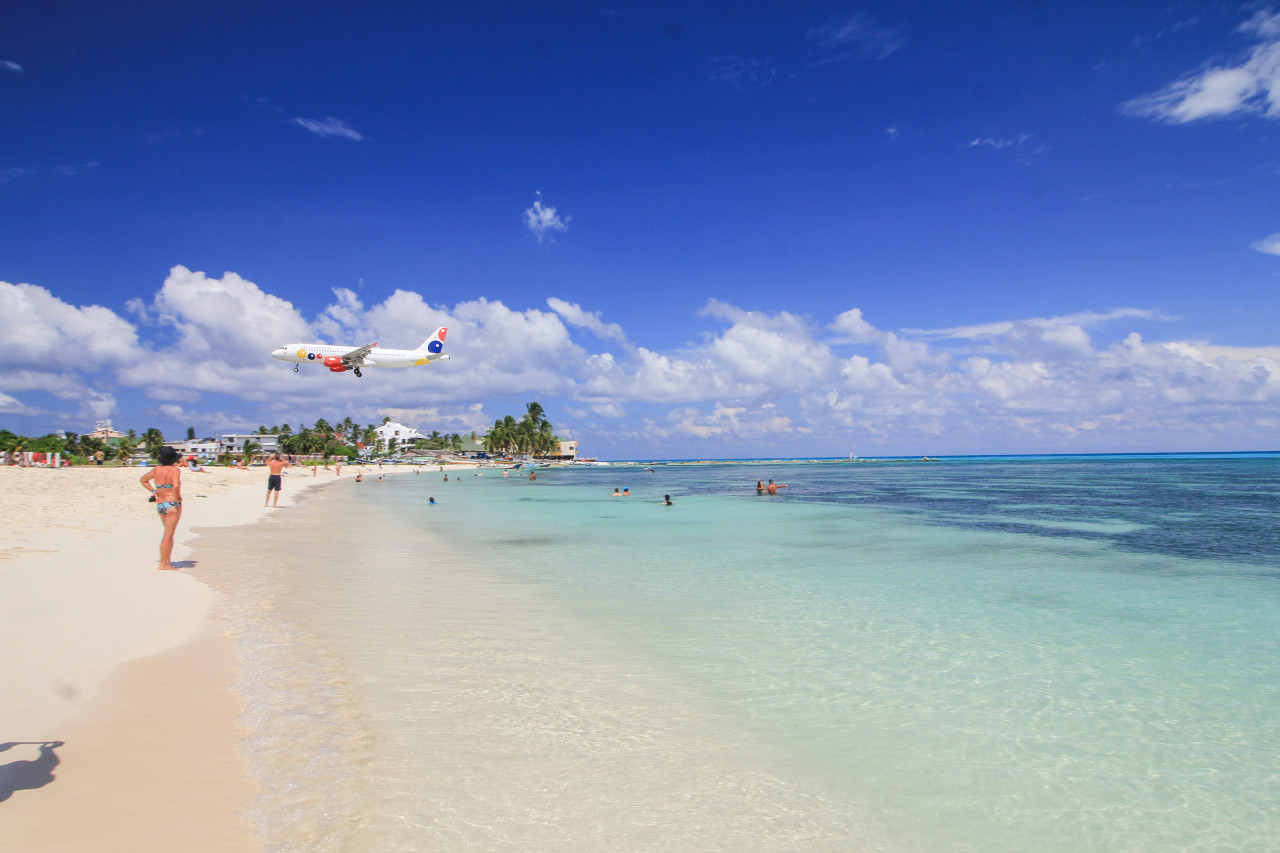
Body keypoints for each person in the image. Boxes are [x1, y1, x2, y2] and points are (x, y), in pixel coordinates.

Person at [140, 446, 183, 570]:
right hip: (171, 505)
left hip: (161, 504)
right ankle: (164, 564)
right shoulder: (174, 470)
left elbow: (143, 480)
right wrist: (175, 500)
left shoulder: (156, 469)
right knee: (168, 535)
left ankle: (166, 560)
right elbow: (176, 485)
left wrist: (154, 491)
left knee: (167, 534)